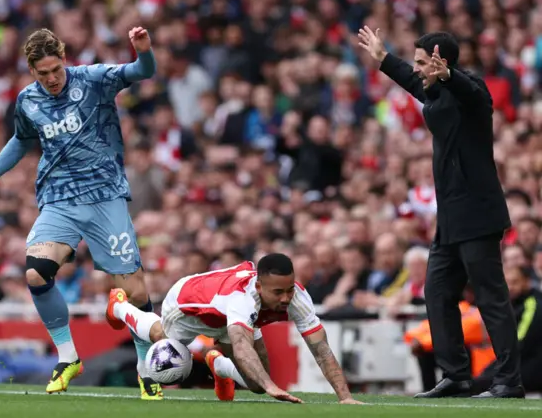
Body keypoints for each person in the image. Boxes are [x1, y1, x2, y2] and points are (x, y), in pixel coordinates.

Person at [0, 27, 162, 398]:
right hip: (59, 198)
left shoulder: (93, 79)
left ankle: (148, 369)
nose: (51, 78)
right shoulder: (27, 101)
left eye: (55, 69)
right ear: (31, 70)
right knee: (35, 273)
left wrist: (143, 52)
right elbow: (21, 141)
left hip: (104, 195)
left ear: (64, 60)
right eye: (42, 72)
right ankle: (68, 357)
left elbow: (140, 72)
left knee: (131, 288)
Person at [358, 26, 523, 398]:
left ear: (440, 62)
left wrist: (451, 76)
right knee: (436, 291)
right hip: (450, 217)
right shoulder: (433, 90)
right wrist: (384, 57)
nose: (417, 69)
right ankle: (456, 375)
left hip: (478, 214)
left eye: (422, 62)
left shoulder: (472, 92)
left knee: (490, 297)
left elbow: (467, 91)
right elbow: (410, 80)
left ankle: (509, 380)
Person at [106, 253, 363, 405]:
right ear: (260, 287)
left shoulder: (298, 297)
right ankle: (120, 308)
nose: (286, 298)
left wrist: (345, 397)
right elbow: (241, 346)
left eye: (289, 290)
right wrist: (273, 385)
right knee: (162, 340)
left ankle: (217, 365)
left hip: (233, 316)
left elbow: (320, 348)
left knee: (257, 385)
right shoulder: (243, 299)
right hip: (191, 306)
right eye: (278, 292)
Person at [474, 266, 542, 393]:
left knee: (479, 383)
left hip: (532, 368)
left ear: (527, 281)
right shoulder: (512, 303)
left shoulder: (533, 304)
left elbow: (520, 344)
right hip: (521, 364)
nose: (510, 287)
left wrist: (490, 371)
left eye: (515, 282)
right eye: (507, 282)